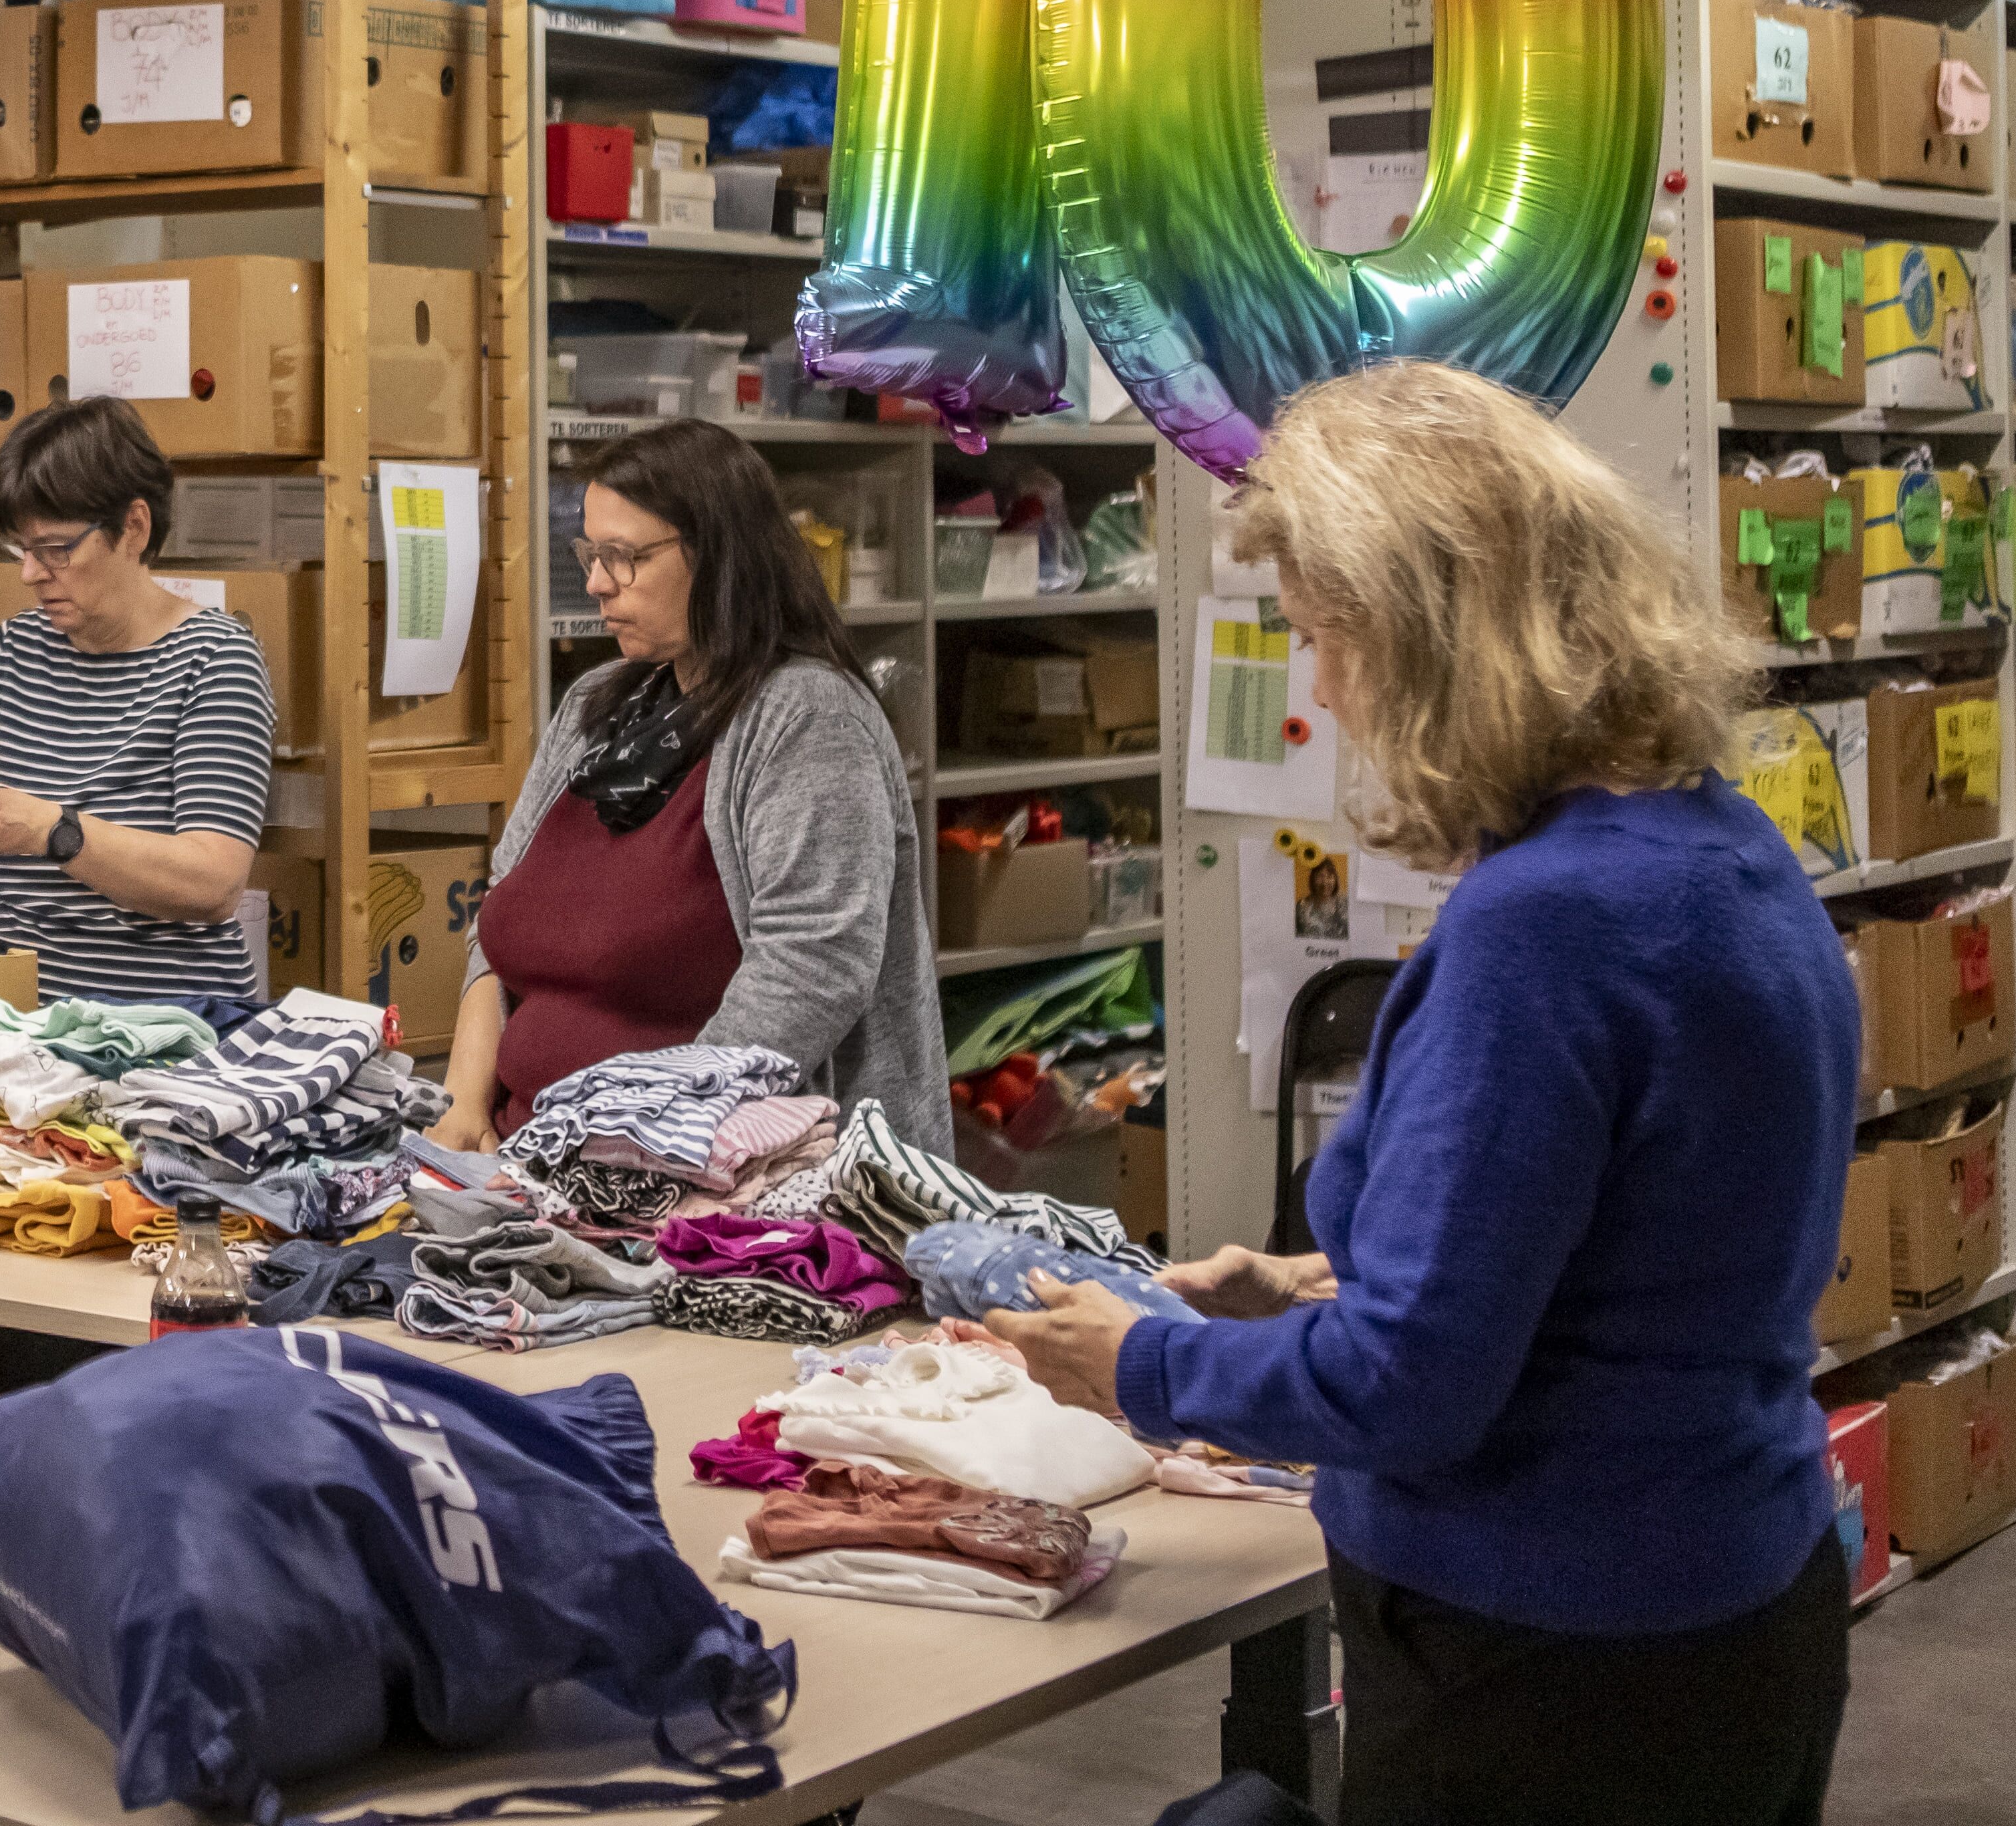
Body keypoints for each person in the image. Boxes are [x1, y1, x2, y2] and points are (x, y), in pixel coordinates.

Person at [983, 362, 1852, 1825]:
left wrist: (1137, 1364)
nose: (1321, 689)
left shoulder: (1546, 925)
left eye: (1325, 639)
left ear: (1435, 634)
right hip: (1731, 1597)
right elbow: (1648, 1247)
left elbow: (1409, 1391)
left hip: (1548, 1661)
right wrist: (1314, 1284)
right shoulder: (1718, 848)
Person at [432, 421, 938, 1151]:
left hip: (701, 1172)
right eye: (591, 555)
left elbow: (810, 972)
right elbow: (498, 924)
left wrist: (635, 1146)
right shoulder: (596, 706)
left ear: (720, 555)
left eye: (624, 557)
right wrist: (462, 1107)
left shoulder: (808, 718)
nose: (596, 582)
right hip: (531, 1158)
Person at [0, 397, 277, 1004]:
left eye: (55, 549)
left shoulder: (215, 660)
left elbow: (213, 883)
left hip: (167, 1021)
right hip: (15, 1017)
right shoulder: (13, 652)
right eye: (20, 548)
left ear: (133, 528)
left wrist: (46, 828)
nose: (31, 574)